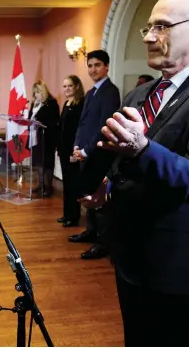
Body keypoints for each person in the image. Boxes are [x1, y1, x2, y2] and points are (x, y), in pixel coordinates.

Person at [81, 0, 189, 345]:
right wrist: (107, 185)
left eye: (160, 26)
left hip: (177, 265)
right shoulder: (139, 95)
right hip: (130, 256)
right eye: (147, 27)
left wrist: (141, 147)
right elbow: (123, 160)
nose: (148, 37)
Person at [69, 50, 121, 259]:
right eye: (90, 66)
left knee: (99, 200)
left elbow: (103, 125)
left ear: (107, 66)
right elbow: (83, 124)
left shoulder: (111, 91)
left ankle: (102, 243)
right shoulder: (91, 93)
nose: (93, 70)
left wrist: (86, 149)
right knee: (88, 195)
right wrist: (77, 146)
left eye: (97, 65)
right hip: (85, 152)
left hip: (99, 153)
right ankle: (90, 232)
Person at [56, 75, 85, 227]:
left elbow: (79, 130)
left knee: (74, 184)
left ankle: (74, 217)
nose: (66, 89)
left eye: (69, 86)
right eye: (64, 86)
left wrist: (75, 151)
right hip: (63, 149)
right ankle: (67, 213)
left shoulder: (81, 104)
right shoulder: (66, 103)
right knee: (67, 184)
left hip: (73, 150)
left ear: (77, 87)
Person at [27, 81, 60, 197]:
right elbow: (30, 117)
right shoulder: (35, 104)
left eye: (39, 92)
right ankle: (41, 185)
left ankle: (48, 187)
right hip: (36, 137)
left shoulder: (51, 103)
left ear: (44, 91)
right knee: (39, 162)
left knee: (47, 163)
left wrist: (41, 123)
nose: (37, 95)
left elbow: (55, 122)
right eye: (35, 93)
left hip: (47, 138)